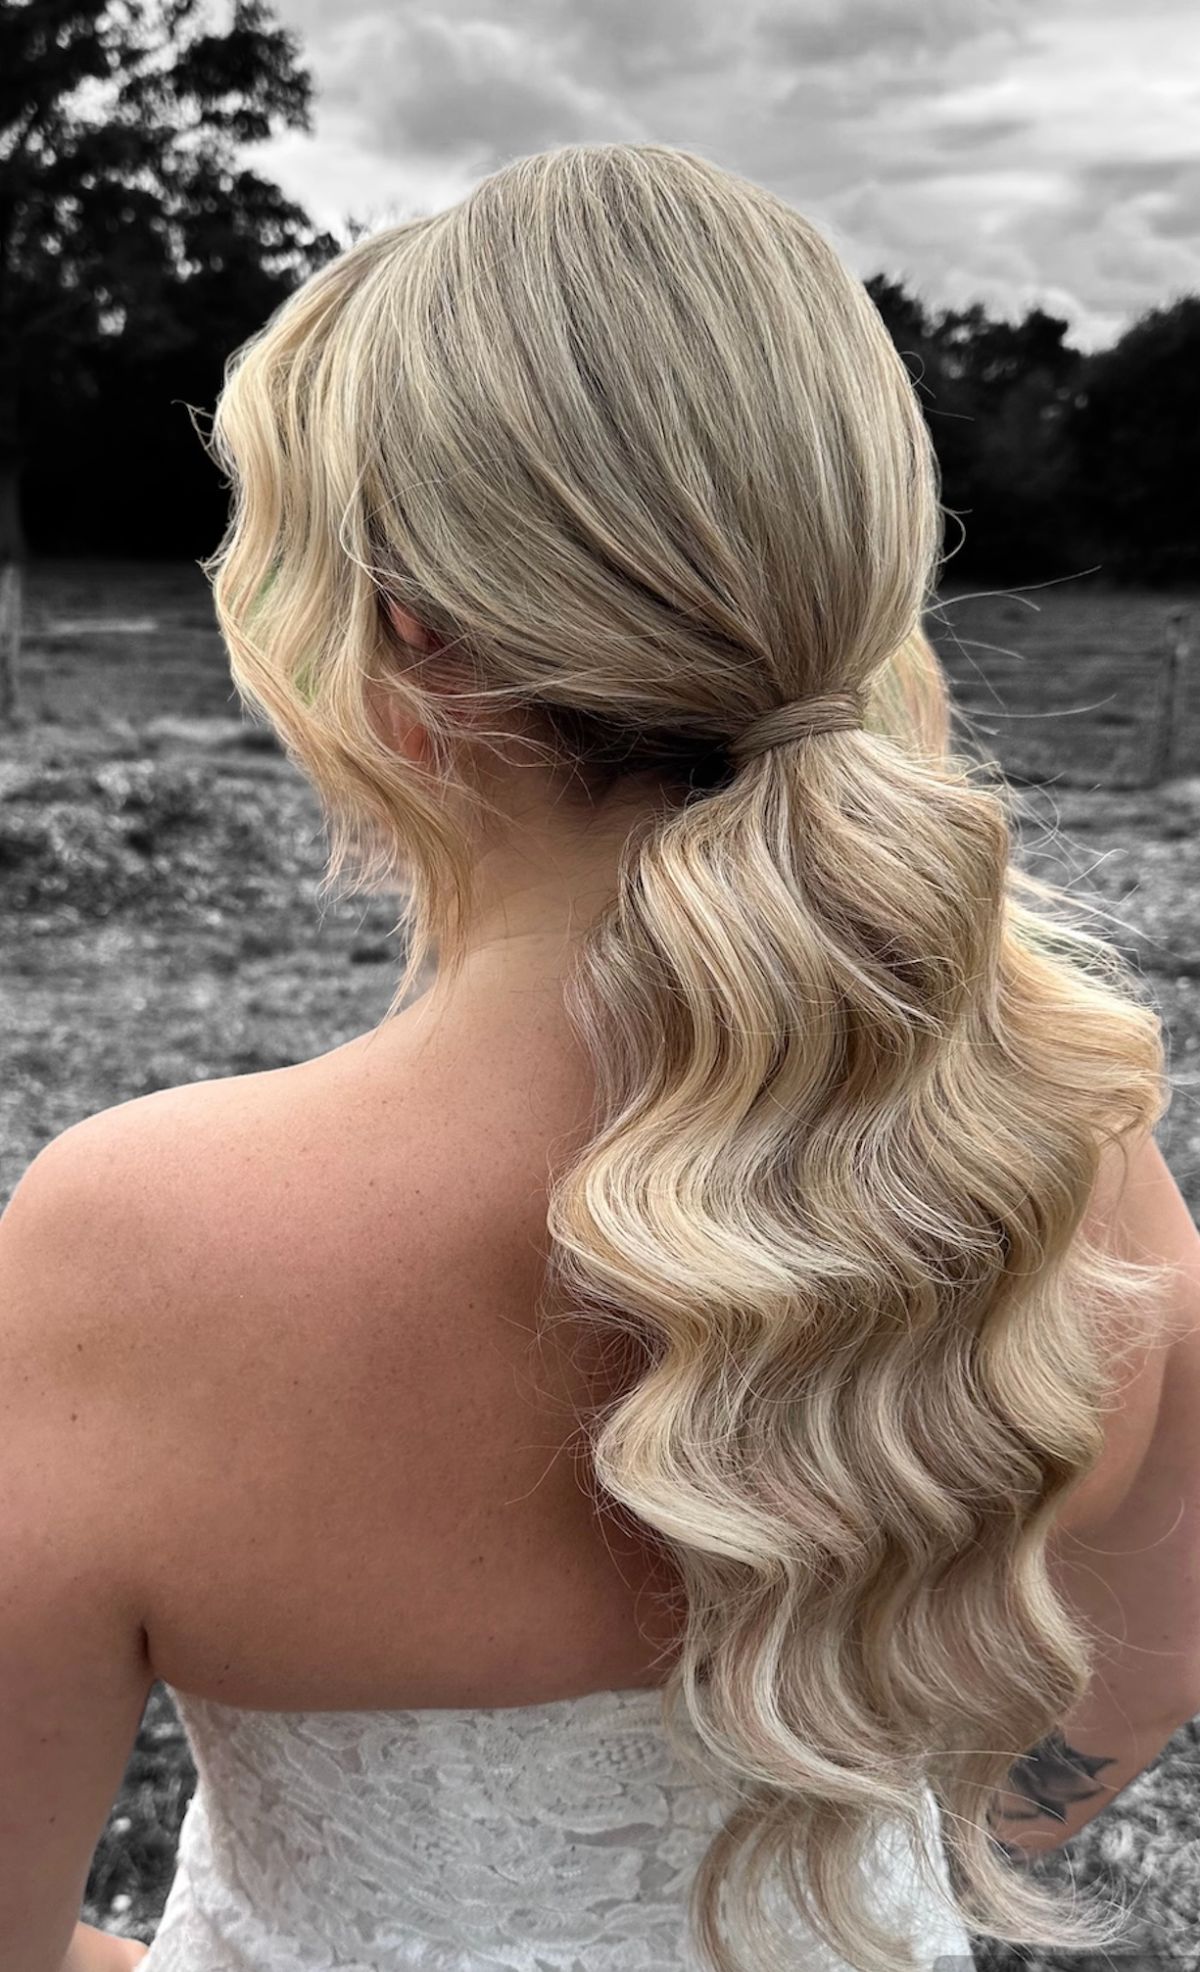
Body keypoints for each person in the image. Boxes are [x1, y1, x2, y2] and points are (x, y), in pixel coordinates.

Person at [4, 140, 1200, 1972]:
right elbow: (1143, 1657)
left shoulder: (134, 1248)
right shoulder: (1067, 1135)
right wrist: (900, 1888)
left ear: (401, 636)